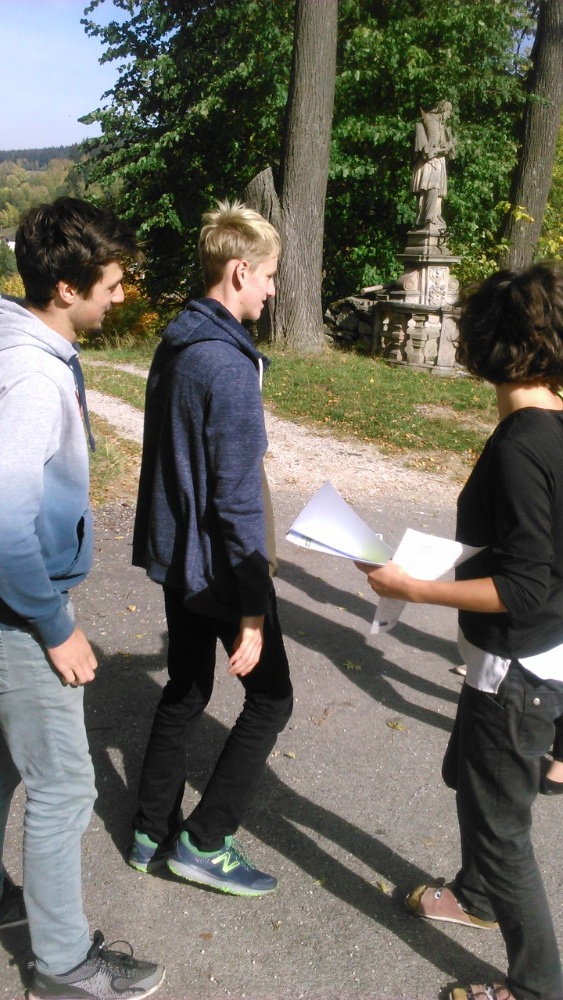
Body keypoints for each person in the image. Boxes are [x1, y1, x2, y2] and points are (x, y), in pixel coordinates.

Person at [357, 263, 563, 1000]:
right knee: (470, 781)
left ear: (483, 347)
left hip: (517, 670)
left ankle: (537, 986)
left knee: (501, 831)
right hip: (530, 660)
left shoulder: (520, 447)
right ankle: (474, 896)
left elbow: (523, 586)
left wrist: (409, 586)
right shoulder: (552, 428)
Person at [0, 197, 165, 1000]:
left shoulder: (17, 340)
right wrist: (54, 624)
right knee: (65, 785)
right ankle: (64, 966)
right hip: (18, 613)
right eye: (113, 282)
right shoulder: (32, 374)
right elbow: (5, 522)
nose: (122, 294)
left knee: (6, 763)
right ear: (66, 287)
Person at [130, 199, 293, 896]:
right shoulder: (226, 364)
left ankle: (149, 832)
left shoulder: (178, 341)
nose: (272, 290)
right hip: (219, 565)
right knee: (271, 698)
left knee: (188, 686)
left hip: (179, 558)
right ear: (239, 271)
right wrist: (253, 605)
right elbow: (234, 498)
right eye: (269, 275)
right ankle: (204, 841)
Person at [411, 100, 456, 229]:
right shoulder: (426, 121)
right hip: (429, 163)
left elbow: (451, 154)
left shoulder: (444, 127)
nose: (449, 115)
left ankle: (435, 216)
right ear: (442, 110)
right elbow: (425, 151)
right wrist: (442, 148)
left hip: (439, 161)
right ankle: (428, 217)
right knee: (431, 187)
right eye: (448, 112)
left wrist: (449, 146)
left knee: (438, 190)